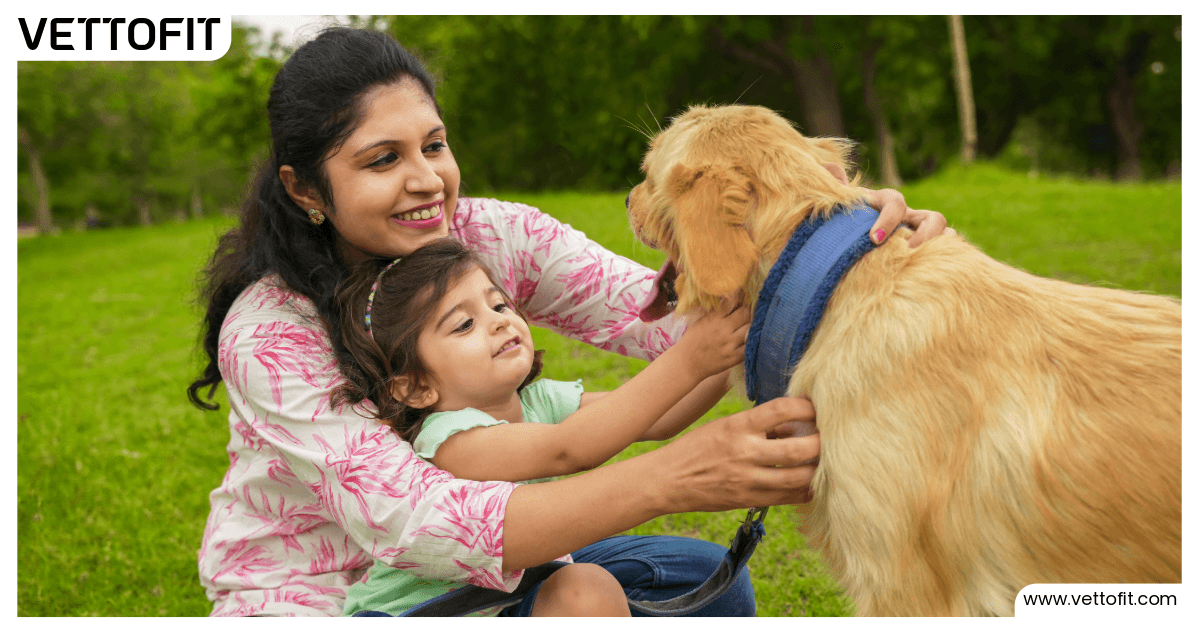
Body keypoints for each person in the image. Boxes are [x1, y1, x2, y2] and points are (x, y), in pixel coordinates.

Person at [189, 26, 951, 617]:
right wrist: (672, 477)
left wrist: (841, 240)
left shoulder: (491, 237)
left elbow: (678, 326)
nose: (427, 181)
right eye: (382, 160)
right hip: (335, 597)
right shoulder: (269, 334)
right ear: (304, 187)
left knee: (706, 587)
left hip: (502, 572)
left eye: (434, 145)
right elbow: (424, 522)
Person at [331, 238, 751, 615]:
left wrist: (731, 349)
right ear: (417, 387)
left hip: (512, 597)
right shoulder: (448, 439)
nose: (498, 321)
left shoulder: (540, 401)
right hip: (430, 614)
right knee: (583, 591)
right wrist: (692, 357)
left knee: (710, 576)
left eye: (498, 305)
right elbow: (569, 449)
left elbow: (660, 417)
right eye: (464, 324)